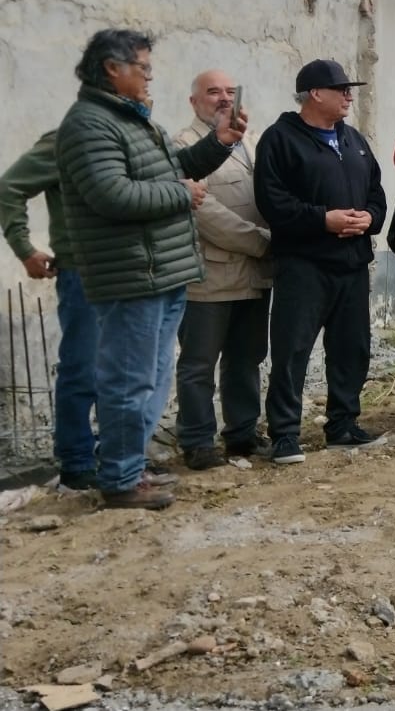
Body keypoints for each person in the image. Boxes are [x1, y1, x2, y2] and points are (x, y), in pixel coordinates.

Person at [56, 29, 243, 509]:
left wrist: (218, 143)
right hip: (131, 273)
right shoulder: (89, 123)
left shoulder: (134, 121)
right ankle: (119, 480)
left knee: (153, 378)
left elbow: (171, 167)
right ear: (112, 69)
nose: (149, 75)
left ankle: (131, 468)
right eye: (142, 67)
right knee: (128, 379)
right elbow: (111, 194)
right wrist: (183, 194)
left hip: (162, 270)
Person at [256, 59, 387, 464]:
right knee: (293, 350)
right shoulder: (279, 139)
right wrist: (321, 220)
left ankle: (343, 425)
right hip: (304, 264)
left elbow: (376, 194)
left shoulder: (355, 141)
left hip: (351, 263)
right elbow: (272, 202)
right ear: (315, 93)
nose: (350, 96)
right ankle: (284, 435)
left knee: (352, 349)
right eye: (342, 89)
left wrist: (369, 218)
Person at [172, 70, 273, 470]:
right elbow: (202, 211)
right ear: (194, 101)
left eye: (230, 91)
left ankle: (242, 434)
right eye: (213, 92)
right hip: (209, 273)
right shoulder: (183, 144)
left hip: (253, 272)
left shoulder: (250, 140)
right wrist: (259, 240)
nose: (223, 98)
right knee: (199, 363)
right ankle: (197, 441)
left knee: (246, 357)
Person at [1, 131, 98, 490]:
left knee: (121, 372)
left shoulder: (132, 135)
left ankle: (118, 457)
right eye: (140, 71)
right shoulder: (67, 139)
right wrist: (24, 248)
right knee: (82, 367)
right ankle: (77, 461)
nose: (146, 82)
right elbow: (9, 187)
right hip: (83, 273)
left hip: (128, 274)